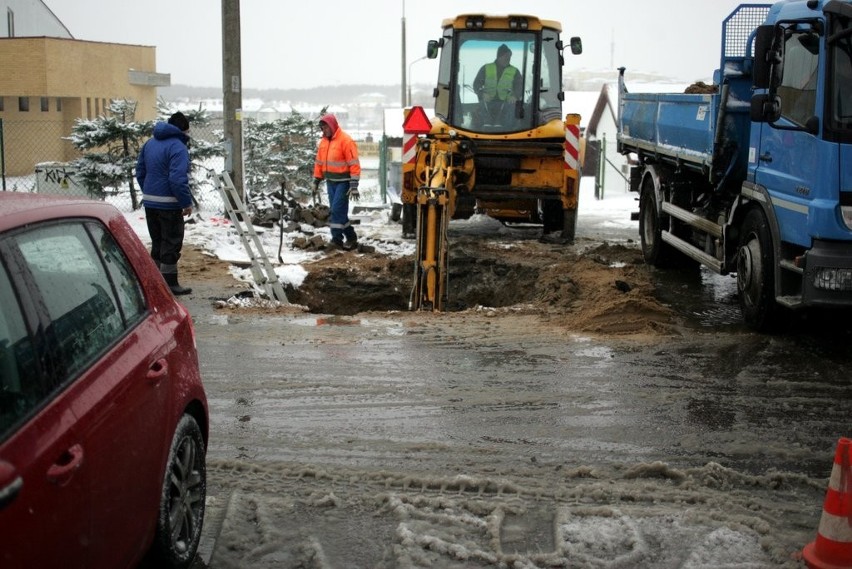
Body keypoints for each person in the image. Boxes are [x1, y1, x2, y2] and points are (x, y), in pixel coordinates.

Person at [136, 111, 194, 295]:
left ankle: (155, 282)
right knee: (171, 241)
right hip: (169, 203)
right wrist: (185, 202)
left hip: (150, 201)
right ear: (183, 129)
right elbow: (177, 178)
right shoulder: (178, 147)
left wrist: (149, 191)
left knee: (157, 240)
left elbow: (140, 171)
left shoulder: (149, 143)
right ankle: (170, 284)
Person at [312, 114, 361, 250]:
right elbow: (319, 163)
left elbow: (354, 163)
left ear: (332, 125)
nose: (324, 130)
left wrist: (354, 185)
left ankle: (336, 239)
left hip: (343, 182)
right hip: (330, 181)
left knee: (336, 210)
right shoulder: (323, 142)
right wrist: (316, 180)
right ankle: (351, 237)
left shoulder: (346, 141)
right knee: (338, 212)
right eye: (322, 128)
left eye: (326, 127)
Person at [472, 43, 523, 125]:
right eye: (505, 56)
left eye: (509, 57)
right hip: (488, 101)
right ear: (499, 56)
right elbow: (476, 84)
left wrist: (515, 96)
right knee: (480, 111)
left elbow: (520, 86)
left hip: (507, 102)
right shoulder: (486, 68)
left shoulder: (515, 71)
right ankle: (484, 131)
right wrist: (482, 94)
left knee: (513, 111)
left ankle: (508, 131)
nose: (508, 58)